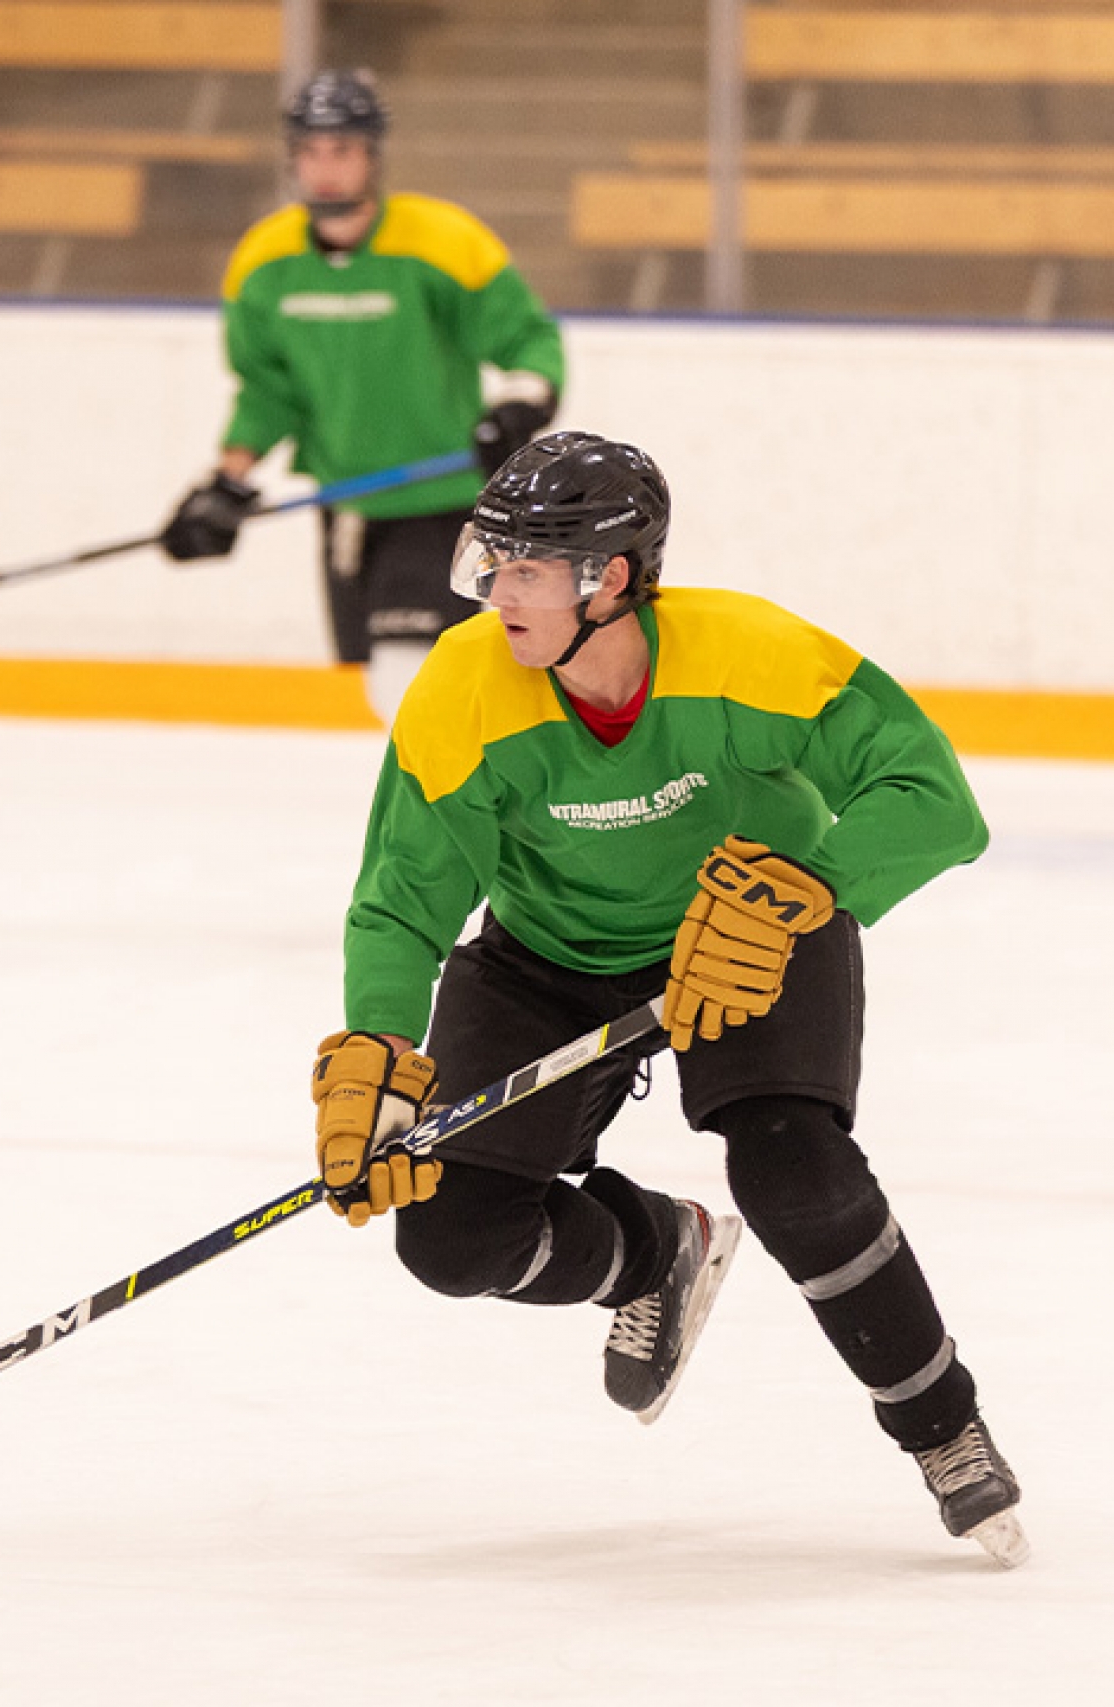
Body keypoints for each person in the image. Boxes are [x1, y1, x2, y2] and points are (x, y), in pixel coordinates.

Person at [303, 431, 1027, 1565]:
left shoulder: (748, 654)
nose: (498, 594)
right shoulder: (462, 688)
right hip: (548, 951)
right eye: (491, 566)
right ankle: (655, 1254)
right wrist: (377, 1056)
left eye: (529, 571)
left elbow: (932, 796)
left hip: (755, 922)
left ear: (616, 579)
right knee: (448, 1239)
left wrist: (810, 888)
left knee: (793, 1173)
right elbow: (401, 899)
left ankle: (945, 1431)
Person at [160, 68, 566, 723]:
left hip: (446, 507)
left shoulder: (441, 241)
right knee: (383, 677)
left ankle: (456, 808)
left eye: (342, 150)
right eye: (311, 151)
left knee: (408, 675)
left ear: (372, 156)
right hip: (347, 510)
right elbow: (267, 388)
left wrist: (520, 402)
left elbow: (526, 335)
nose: (325, 169)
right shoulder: (263, 264)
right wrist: (227, 480)